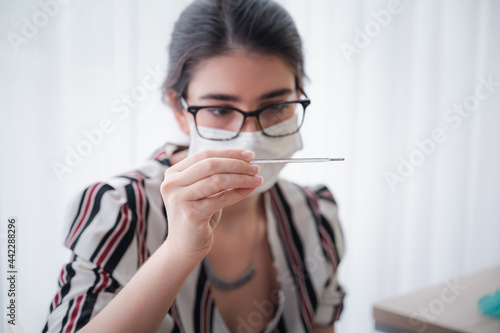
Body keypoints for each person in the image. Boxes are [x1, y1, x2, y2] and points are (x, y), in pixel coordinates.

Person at [43, 0, 345, 332]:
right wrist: (177, 252)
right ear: (179, 109)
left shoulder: (315, 218)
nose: (250, 138)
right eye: (219, 110)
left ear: (298, 93)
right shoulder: (120, 213)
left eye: (275, 105)